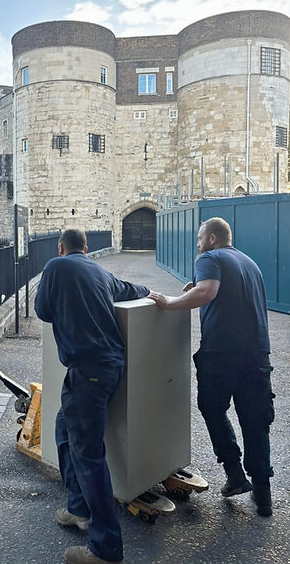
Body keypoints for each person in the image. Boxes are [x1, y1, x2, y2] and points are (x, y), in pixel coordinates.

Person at [34, 228, 150, 564]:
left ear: (61, 248)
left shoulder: (55, 266)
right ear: (86, 248)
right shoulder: (100, 270)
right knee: (63, 429)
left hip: (88, 371)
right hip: (108, 368)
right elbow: (132, 290)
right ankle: (78, 508)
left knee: (89, 457)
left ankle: (106, 549)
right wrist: (153, 293)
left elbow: (42, 310)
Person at [148, 217, 274, 517]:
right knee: (256, 422)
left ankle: (234, 474)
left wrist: (168, 302)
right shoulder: (248, 262)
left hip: (221, 355)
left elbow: (207, 292)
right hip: (257, 356)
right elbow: (223, 295)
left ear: (213, 239)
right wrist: (196, 289)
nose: (198, 243)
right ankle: (263, 496)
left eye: (200, 238)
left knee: (213, 408)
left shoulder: (210, 257)